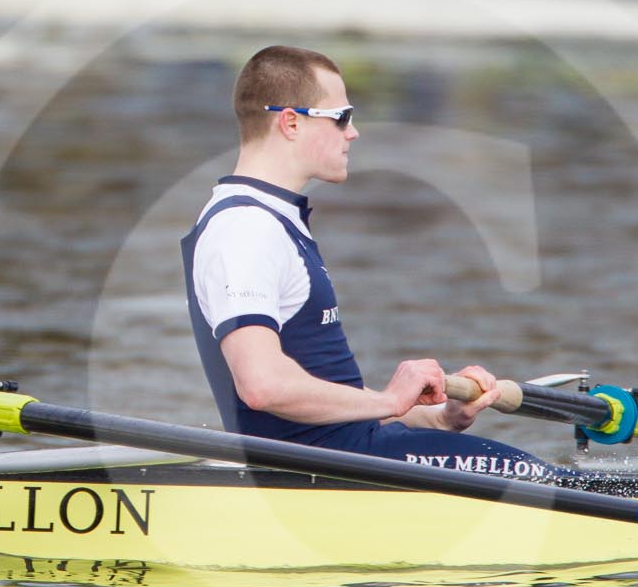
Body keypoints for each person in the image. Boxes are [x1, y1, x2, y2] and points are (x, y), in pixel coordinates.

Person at [182, 45, 556, 478]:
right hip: (318, 474)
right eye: (341, 116)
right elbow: (263, 386)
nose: (353, 132)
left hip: (341, 456)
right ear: (290, 122)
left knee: (554, 478)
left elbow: (322, 411)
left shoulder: (270, 220)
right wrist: (391, 400)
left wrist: (437, 418)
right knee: (550, 483)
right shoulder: (246, 228)